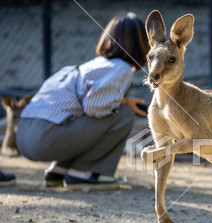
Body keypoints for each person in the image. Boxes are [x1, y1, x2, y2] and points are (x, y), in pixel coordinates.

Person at [17, 12, 149, 190]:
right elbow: (95, 108)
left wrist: (123, 100)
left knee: (112, 112)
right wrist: (123, 105)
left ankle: (60, 170)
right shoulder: (121, 68)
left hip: (24, 135)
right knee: (124, 115)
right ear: (141, 44)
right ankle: (85, 173)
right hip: (44, 138)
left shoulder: (91, 65)